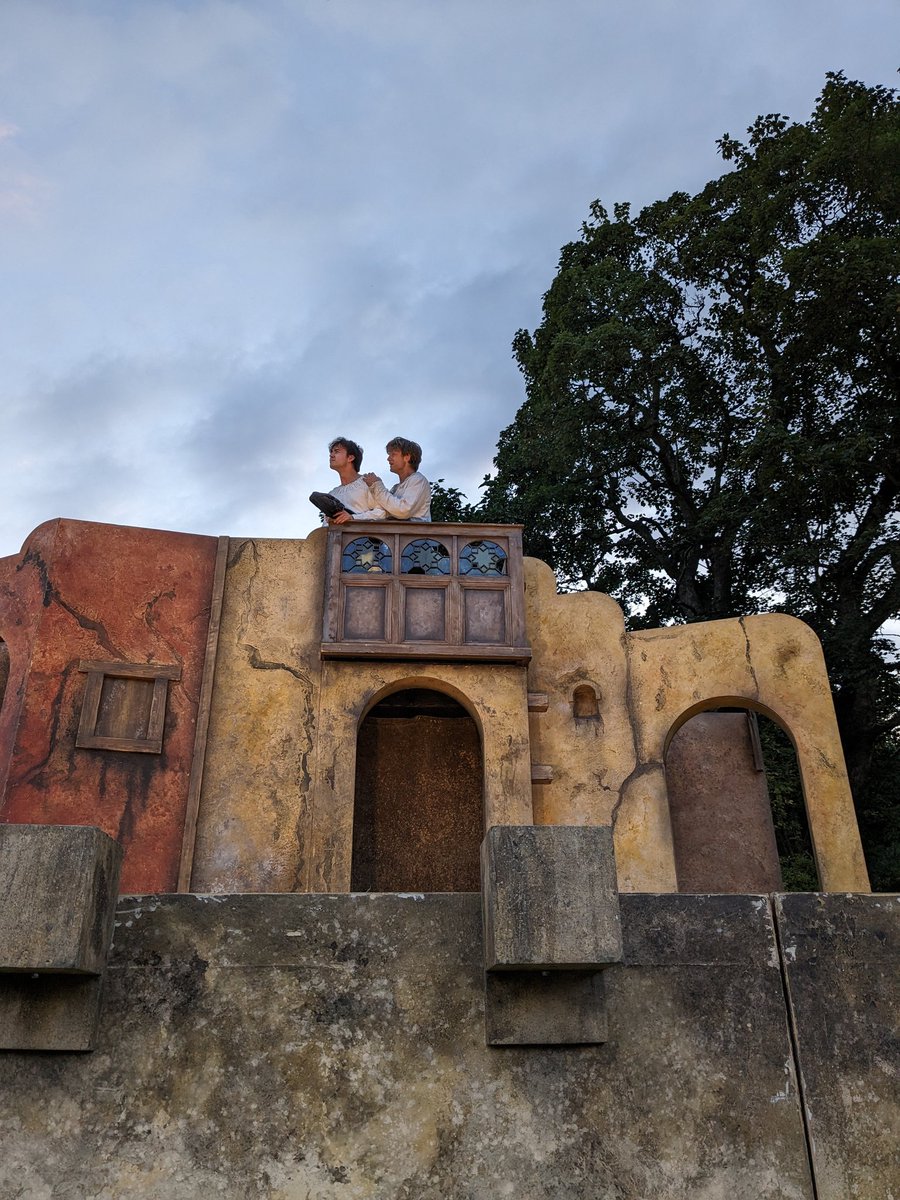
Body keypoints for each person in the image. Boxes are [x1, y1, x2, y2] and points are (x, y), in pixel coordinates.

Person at [309, 438, 387, 524]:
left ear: (350, 458)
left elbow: (382, 513)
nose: (331, 455)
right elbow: (325, 525)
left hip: (363, 535)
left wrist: (353, 517)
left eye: (336, 451)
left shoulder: (368, 482)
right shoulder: (333, 493)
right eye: (331, 452)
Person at [362, 437, 432, 521]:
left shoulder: (418, 480)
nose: (388, 458)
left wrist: (377, 485)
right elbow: (382, 511)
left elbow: (403, 511)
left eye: (393, 454)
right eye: (389, 454)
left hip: (413, 533)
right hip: (397, 532)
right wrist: (372, 487)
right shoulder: (396, 488)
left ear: (407, 457)